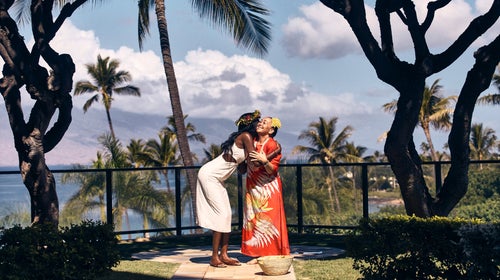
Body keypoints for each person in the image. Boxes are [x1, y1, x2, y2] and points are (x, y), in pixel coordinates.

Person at [196, 110, 279, 268]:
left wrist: (246, 160)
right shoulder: (246, 137)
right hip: (209, 176)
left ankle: (224, 255)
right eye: (258, 122)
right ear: (251, 124)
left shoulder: (244, 139)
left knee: (226, 215)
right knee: (222, 215)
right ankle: (215, 257)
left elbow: (242, 169)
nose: (260, 124)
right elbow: (254, 163)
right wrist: (274, 153)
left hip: (217, 179)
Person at [241, 116, 290, 263]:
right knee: (253, 218)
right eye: (260, 121)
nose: (261, 123)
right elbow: (244, 167)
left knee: (269, 220)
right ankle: (256, 253)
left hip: (269, 189)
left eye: (265, 123)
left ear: (272, 129)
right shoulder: (251, 141)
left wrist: (265, 161)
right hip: (252, 187)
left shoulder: (272, 145)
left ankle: (270, 253)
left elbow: (272, 170)